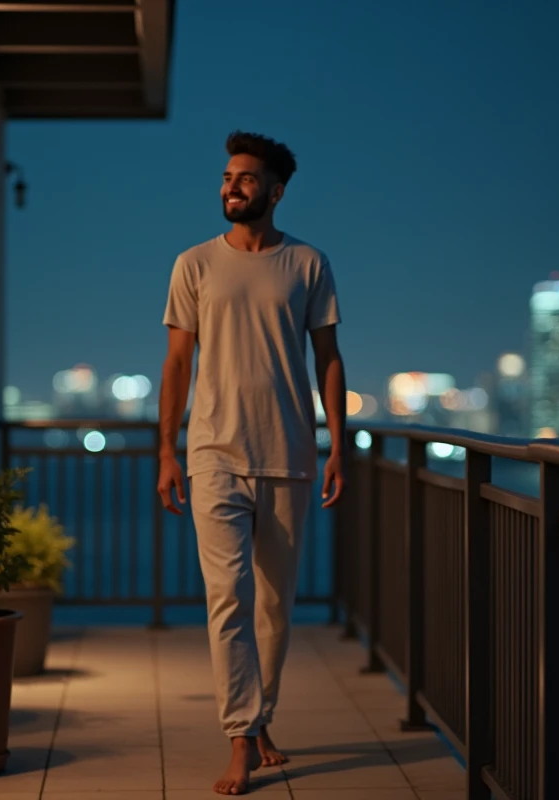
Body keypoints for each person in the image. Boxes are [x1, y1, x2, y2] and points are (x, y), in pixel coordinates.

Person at [156, 130, 348, 796]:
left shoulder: (308, 264)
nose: (229, 187)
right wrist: (166, 452)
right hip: (213, 453)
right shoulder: (194, 265)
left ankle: (261, 717)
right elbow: (178, 362)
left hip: (290, 453)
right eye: (226, 177)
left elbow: (328, 359)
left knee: (274, 607)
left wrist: (337, 446)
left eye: (244, 179)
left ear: (275, 190)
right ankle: (240, 735)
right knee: (227, 599)